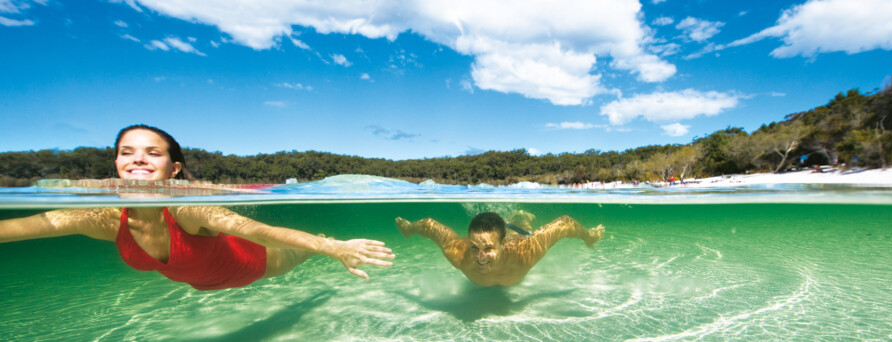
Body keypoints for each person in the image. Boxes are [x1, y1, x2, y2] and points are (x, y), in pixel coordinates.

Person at [0, 124, 394, 290]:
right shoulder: (103, 218)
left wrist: (332, 247)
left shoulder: (188, 209)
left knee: (296, 255)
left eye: (151, 152)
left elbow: (259, 231)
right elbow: (38, 224)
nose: (137, 159)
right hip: (201, 282)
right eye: (126, 152)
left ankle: (321, 240)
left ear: (173, 169)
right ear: (117, 165)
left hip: (252, 265)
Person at [395, 211, 604, 287]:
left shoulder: (526, 253)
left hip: (515, 239)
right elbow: (430, 226)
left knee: (521, 230)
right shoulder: (459, 253)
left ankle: (519, 218)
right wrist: (408, 229)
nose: (480, 257)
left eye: (488, 248)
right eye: (474, 247)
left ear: (501, 245)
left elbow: (565, 224)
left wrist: (589, 237)